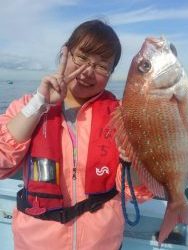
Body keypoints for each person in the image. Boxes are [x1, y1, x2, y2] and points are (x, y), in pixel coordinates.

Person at [0, 19, 153, 250]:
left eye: (102, 66)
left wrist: (138, 156)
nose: (88, 72)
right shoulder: (25, 107)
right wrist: (39, 103)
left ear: (111, 73)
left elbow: (135, 192)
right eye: (81, 58)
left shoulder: (122, 116)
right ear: (65, 54)